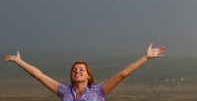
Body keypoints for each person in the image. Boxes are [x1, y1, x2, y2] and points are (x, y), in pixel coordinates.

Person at [4, 43, 165, 100]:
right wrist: (18, 61)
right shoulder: (63, 91)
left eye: (81, 69)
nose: (77, 71)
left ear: (89, 76)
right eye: (74, 70)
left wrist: (145, 57)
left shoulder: (98, 92)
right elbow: (39, 75)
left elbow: (123, 74)